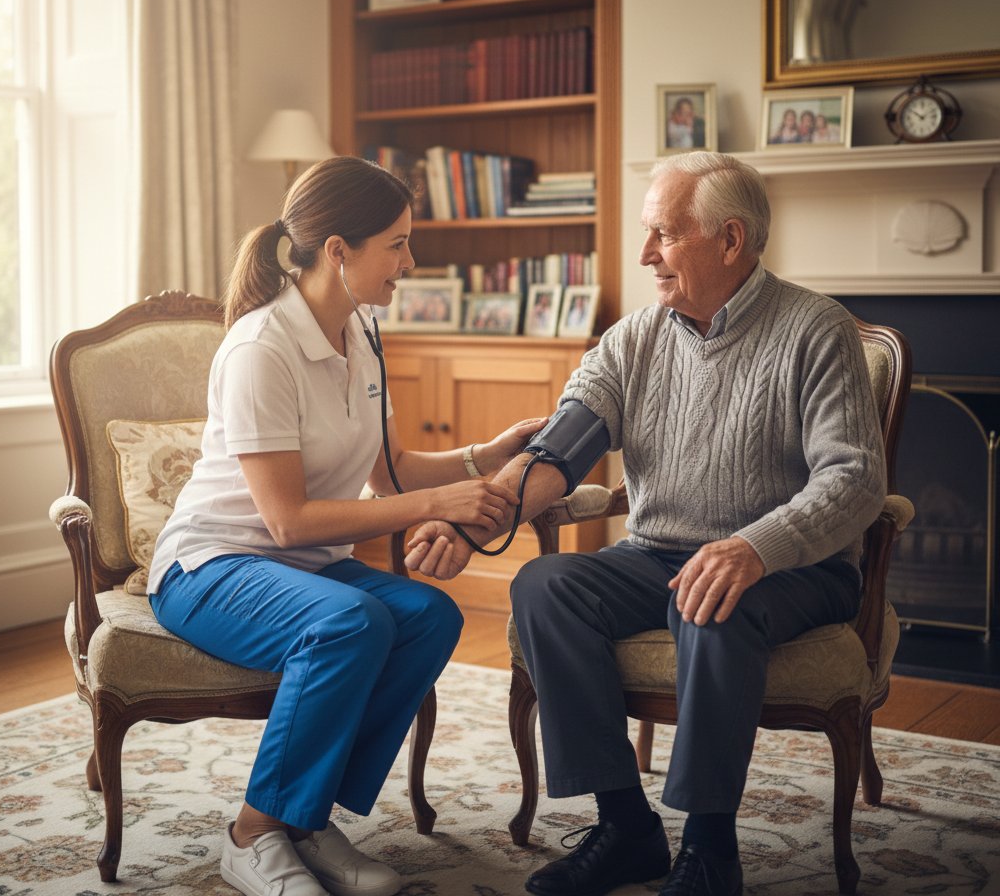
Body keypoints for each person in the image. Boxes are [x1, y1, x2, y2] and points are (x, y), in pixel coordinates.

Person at [403, 151, 887, 896]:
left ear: (730, 240)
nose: (644, 254)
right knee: (544, 586)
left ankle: (710, 849)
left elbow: (854, 480)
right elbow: (556, 451)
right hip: (656, 554)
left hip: (795, 568)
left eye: (664, 233)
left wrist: (753, 548)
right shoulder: (633, 339)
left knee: (712, 600)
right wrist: (469, 521)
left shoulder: (815, 329)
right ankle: (626, 826)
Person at [147, 156, 546, 896]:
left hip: (301, 568)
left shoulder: (360, 331)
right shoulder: (262, 349)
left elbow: (390, 470)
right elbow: (287, 519)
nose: (410, 262)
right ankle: (252, 834)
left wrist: (483, 456)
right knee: (351, 623)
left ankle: (304, 817)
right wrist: (440, 504)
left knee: (428, 616)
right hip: (210, 568)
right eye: (397, 244)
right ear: (338, 250)